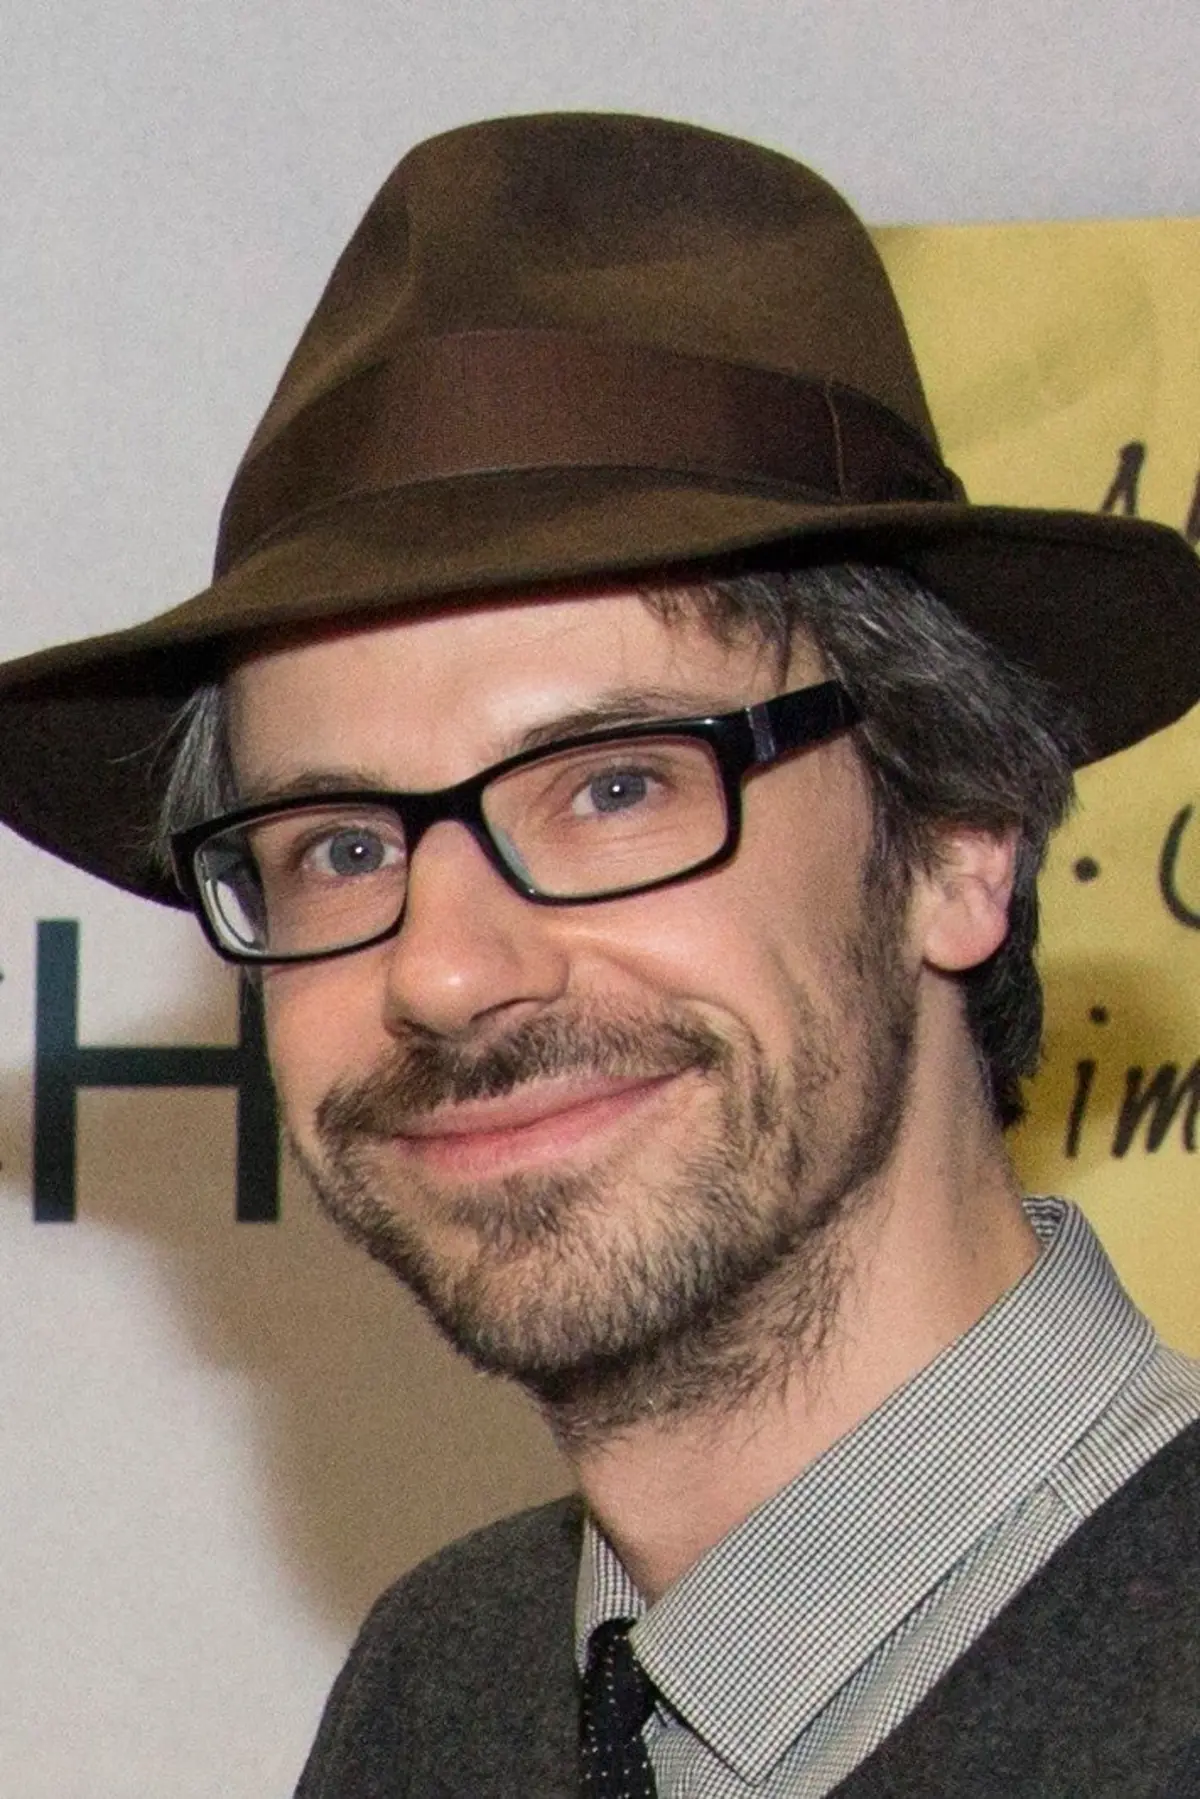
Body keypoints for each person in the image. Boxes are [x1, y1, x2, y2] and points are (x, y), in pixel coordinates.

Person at [1, 113, 1198, 1798]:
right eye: (341, 844)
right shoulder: (445, 1689)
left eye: (615, 787)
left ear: (956, 834)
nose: (445, 971)